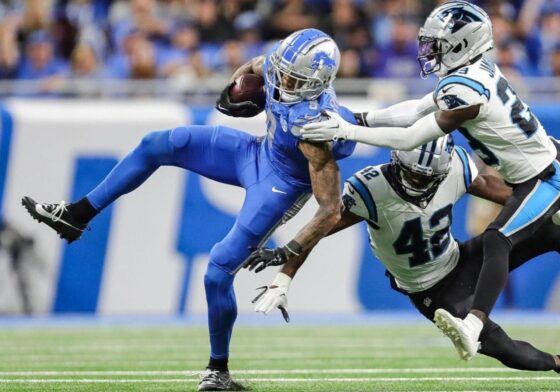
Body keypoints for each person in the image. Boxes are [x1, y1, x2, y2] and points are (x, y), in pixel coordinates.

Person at [298, 1, 560, 360]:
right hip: (545, 167)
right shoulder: (474, 72)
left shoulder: (466, 92)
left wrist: (347, 129)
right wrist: (361, 118)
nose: (429, 50)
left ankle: (474, 324)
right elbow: (417, 108)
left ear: (461, 44)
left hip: (540, 179)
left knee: (497, 238)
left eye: (437, 43)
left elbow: (410, 137)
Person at [22, 28, 356, 391]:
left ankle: (218, 371)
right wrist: (233, 89)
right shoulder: (281, 62)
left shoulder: (318, 126)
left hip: (280, 187)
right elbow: (257, 66)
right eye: (284, 72)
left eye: (295, 79)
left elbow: (330, 208)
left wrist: (289, 252)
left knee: (217, 271)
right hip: (256, 152)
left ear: (318, 83)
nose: (285, 81)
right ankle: (77, 214)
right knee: (158, 144)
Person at [246, 136, 560, 390]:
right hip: (431, 291)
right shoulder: (371, 188)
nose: (421, 184)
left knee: (555, 233)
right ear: (397, 163)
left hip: (461, 258)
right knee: (505, 349)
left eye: (428, 178)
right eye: (415, 176)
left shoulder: (451, 166)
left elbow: (511, 197)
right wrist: (285, 275)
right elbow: (321, 225)